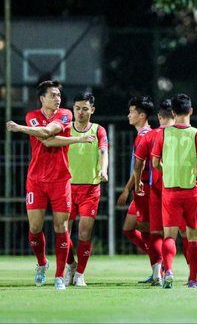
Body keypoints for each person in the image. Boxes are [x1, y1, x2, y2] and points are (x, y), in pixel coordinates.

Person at [5, 80, 94, 290]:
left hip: (61, 179)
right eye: (53, 95)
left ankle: (59, 276)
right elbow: (47, 139)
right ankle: (42, 263)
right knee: (35, 227)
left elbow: (47, 134)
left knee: (61, 227)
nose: (57, 99)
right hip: (36, 180)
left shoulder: (65, 114)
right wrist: (78, 140)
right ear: (42, 98)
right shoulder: (32, 116)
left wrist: (19, 128)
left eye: (59, 95)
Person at [151, 93, 197, 289]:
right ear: (191, 111)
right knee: (193, 236)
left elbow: (154, 163)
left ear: (173, 112)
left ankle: (168, 270)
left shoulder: (162, 133)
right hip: (192, 190)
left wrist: (166, 170)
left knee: (169, 235)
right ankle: (193, 280)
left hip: (170, 190)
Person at [62, 91, 109, 287]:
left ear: (92, 110)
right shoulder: (65, 129)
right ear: (73, 109)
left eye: (85, 109)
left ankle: (80, 273)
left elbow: (104, 151)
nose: (80, 112)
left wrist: (103, 170)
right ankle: (70, 265)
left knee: (84, 233)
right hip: (66, 188)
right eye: (77, 108)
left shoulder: (98, 130)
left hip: (90, 189)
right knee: (62, 232)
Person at [133, 98, 175, 286]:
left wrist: (136, 183)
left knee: (156, 233)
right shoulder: (189, 134)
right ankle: (192, 278)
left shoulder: (150, 136)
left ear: (159, 116)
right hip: (183, 188)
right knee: (188, 234)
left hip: (157, 189)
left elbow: (139, 163)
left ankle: (159, 273)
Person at [116, 95, 157, 281]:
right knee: (129, 228)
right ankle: (157, 263)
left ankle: (159, 268)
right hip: (140, 188)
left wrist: (126, 189)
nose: (128, 115)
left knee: (147, 229)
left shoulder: (146, 135)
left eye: (132, 112)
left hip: (146, 189)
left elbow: (139, 168)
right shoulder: (143, 134)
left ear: (141, 115)